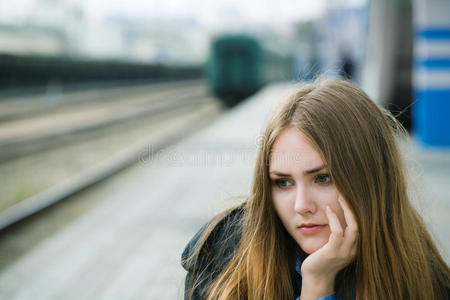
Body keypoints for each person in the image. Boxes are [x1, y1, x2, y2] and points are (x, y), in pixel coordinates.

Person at [181, 79, 450, 300]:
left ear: (370, 179)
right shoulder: (223, 260)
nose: (301, 205)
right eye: (283, 182)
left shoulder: (427, 282)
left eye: (322, 178)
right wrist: (317, 284)